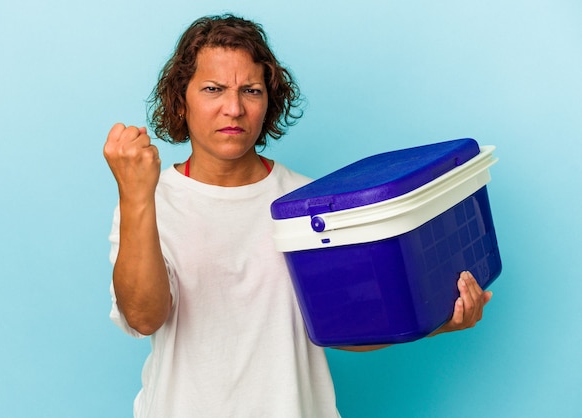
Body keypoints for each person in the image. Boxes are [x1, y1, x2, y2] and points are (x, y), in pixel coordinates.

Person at [103, 14, 492, 418]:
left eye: (250, 90)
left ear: (267, 102)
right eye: (213, 89)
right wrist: (135, 197)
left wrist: (435, 320)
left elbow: (344, 325)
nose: (233, 108)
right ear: (181, 100)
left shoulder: (311, 202)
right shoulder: (147, 202)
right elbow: (145, 317)